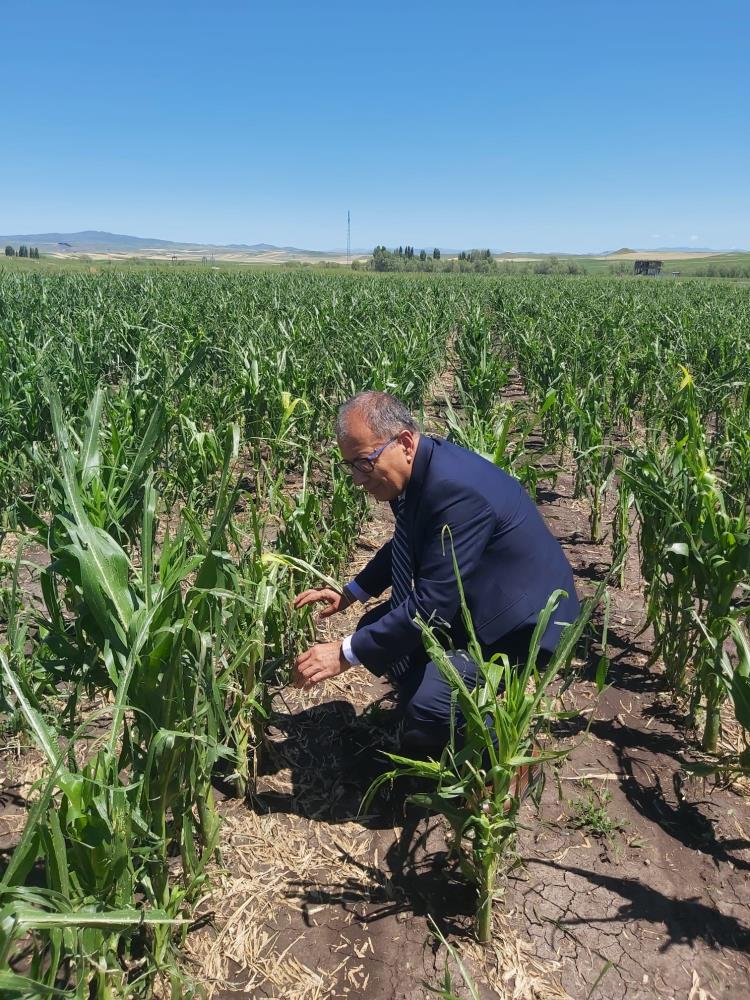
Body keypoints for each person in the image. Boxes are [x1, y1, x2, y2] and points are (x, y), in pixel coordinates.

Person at [293, 391, 579, 758]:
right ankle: (432, 697)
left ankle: (505, 749)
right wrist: (351, 591)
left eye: (364, 463)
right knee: (380, 634)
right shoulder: (416, 473)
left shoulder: (455, 492)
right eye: (350, 466)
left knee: (426, 711)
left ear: (406, 442)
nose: (358, 480)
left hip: (523, 625)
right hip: (482, 593)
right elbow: (405, 540)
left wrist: (344, 653)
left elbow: (433, 605)